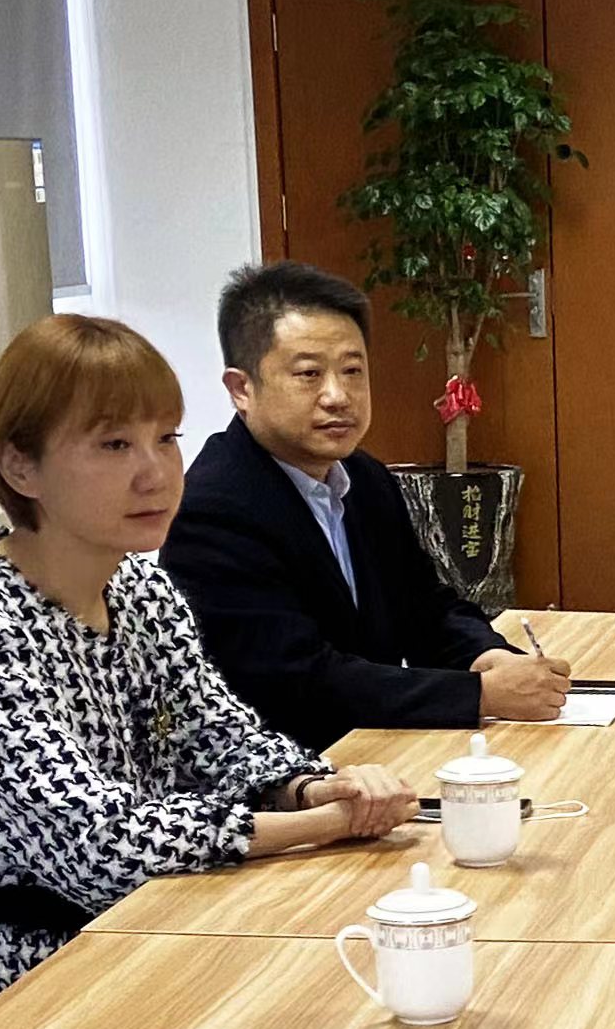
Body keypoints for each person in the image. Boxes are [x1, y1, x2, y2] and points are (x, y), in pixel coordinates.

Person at [0, 314, 418, 1025]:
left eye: (166, 438)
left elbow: (221, 738)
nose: (156, 473)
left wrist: (311, 787)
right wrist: (321, 825)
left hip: (135, 924)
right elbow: (96, 846)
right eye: (115, 444)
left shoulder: (140, 587)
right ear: (21, 466)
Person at [163, 261, 572, 740]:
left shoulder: (365, 477)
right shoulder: (212, 512)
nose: (338, 395)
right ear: (242, 389)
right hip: (292, 766)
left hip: (376, 751)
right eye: (309, 374)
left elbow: (426, 606)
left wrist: (488, 656)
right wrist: (479, 695)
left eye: (353, 371)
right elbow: (296, 681)